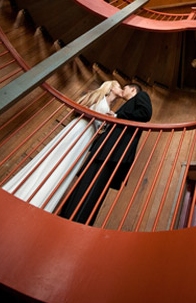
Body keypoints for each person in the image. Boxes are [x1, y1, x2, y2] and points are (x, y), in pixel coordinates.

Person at [3, 80, 122, 212]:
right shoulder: (98, 96)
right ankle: (26, 192)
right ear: (110, 87)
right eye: (118, 86)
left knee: (66, 165)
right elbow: (80, 106)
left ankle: (42, 199)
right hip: (80, 129)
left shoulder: (110, 109)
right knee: (57, 158)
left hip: (88, 136)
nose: (121, 89)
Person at [59, 82, 152, 225]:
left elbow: (145, 113)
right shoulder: (128, 105)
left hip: (114, 151)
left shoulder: (141, 95)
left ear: (133, 89)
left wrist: (117, 115)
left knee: (95, 187)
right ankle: (66, 216)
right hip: (106, 148)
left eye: (125, 88)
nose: (123, 91)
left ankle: (77, 221)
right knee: (86, 182)